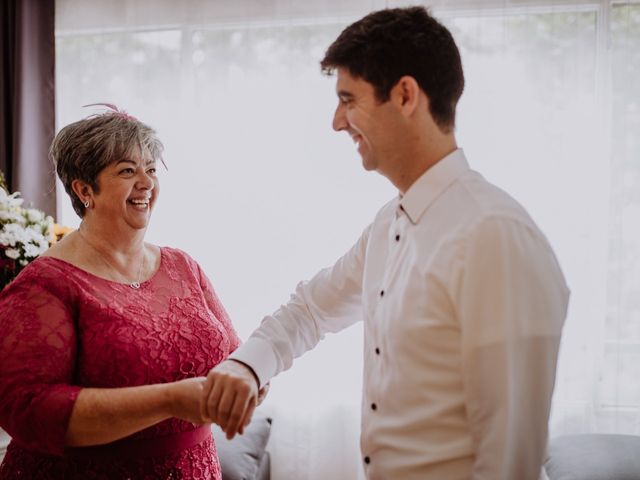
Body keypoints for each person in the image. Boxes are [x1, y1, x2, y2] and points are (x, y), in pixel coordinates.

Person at [201, 6, 570, 480]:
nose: (337, 122)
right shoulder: (389, 225)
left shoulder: (494, 236)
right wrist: (247, 366)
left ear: (405, 95)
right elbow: (311, 310)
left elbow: (508, 461)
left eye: (348, 99)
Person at [0, 108, 240, 479]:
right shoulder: (44, 284)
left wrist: (252, 376)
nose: (146, 182)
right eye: (128, 171)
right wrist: (170, 399)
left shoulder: (184, 267)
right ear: (84, 190)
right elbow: (29, 409)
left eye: (152, 169)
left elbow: (235, 356)